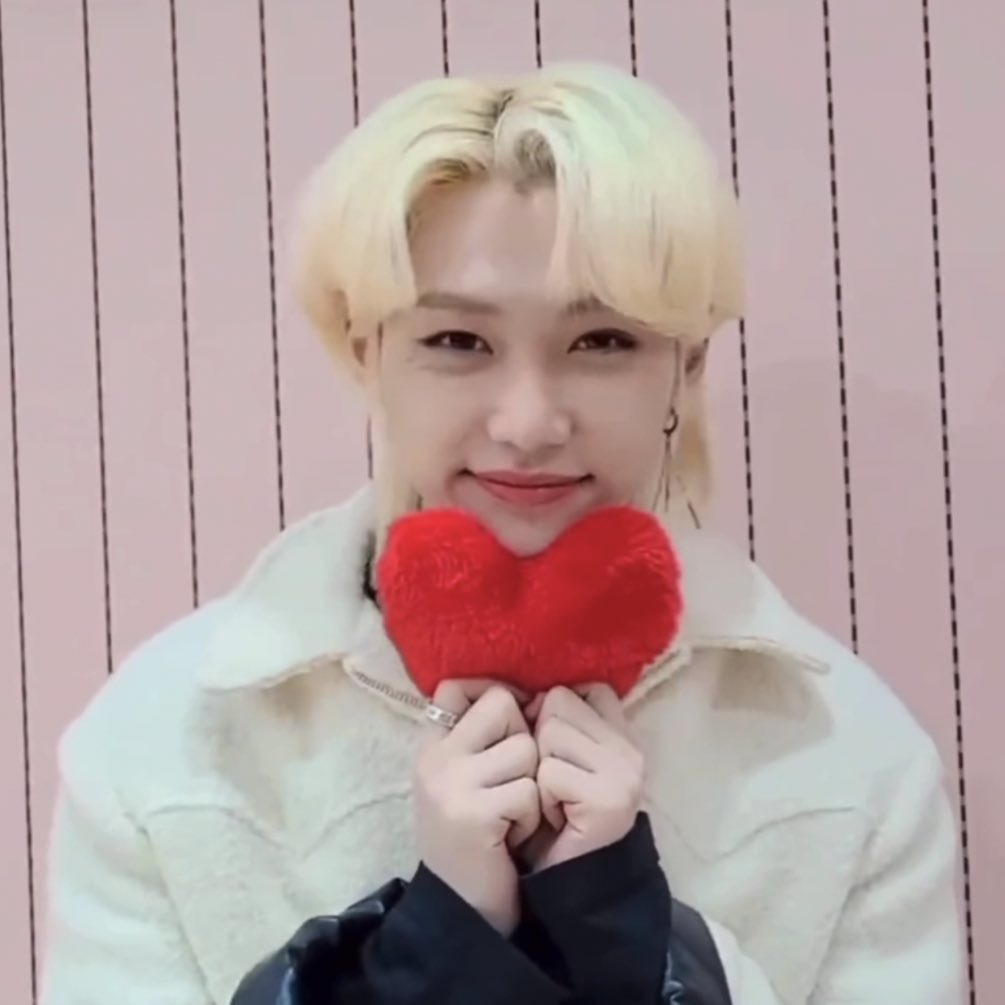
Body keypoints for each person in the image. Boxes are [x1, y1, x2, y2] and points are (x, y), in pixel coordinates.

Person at [40, 63, 962, 1005]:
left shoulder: (851, 761)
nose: (527, 423)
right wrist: (437, 946)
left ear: (686, 368)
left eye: (602, 341)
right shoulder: (164, 746)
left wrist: (627, 941)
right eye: (457, 342)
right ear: (366, 352)